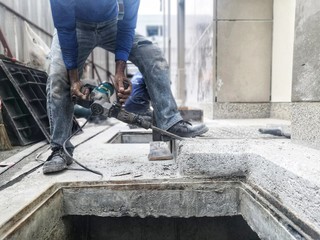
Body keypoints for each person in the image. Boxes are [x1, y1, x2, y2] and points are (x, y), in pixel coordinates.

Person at [44, 0, 208, 174]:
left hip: (111, 24)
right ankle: (60, 148)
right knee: (57, 77)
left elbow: (127, 25)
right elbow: (65, 28)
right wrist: (74, 77)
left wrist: (120, 72)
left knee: (152, 56)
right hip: (75, 26)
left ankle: (169, 122)